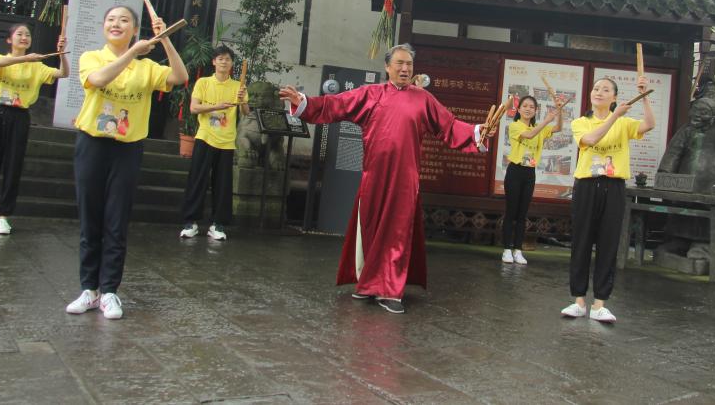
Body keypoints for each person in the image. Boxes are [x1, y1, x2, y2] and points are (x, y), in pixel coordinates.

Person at [277, 43, 490, 314]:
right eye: (399, 63)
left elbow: (449, 126)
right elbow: (335, 104)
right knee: (371, 227)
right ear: (387, 67)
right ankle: (369, 284)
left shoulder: (423, 99)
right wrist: (303, 102)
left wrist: (477, 132)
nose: (405, 68)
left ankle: (390, 290)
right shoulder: (371, 94)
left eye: (409, 64)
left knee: (396, 232)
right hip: (374, 174)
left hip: (405, 178)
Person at [65, 6, 188, 320]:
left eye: (124, 20)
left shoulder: (147, 68)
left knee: (116, 221)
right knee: (90, 218)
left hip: (128, 149)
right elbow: (97, 79)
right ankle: (88, 289)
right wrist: (133, 52)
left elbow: (180, 76)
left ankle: (109, 291)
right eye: (111, 19)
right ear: (104, 27)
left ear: (135, 29)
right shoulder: (92, 57)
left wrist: (164, 39)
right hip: (92, 144)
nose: (116, 24)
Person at [562, 75, 654, 324]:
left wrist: (644, 96)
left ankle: (600, 303)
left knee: (608, 243)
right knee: (581, 241)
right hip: (586, 185)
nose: (599, 92)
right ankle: (578, 301)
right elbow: (590, 140)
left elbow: (649, 124)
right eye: (596, 88)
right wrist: (614, 116)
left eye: (605, 90)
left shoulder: (624, 124)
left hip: (613, 187)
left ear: (614, 97)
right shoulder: (581, 122)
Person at [0, 23, 68, 235]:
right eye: (19, 34)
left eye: (27, 34)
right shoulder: (1, 59)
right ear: (9, 40)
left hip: (19, 117)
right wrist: (25, 58)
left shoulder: (36, 66)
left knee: (13, 165)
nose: (24, 37)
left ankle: (4, 217)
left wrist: (62, 53)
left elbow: (63, 73)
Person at [179, 45, 249, 241]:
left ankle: (218, 224)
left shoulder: (238, 86)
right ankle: (191, 222)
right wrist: (217, 106)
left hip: (226, 141)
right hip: (205, 137)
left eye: (227, 59)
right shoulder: (203, 82)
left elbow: (246, 113)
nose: (224, 62)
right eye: (220, 59)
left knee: (223, 185)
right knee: (197, 180)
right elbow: (193, 108)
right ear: (214, 62)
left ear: (232, 63)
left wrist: (243, 100)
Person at [501, 94, 564, 265]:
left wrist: (559, 110)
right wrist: (546, 121)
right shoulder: (515, 126)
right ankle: (507, 249)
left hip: (530, 173)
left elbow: (558, 127)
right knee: (511, 212)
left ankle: (518, 250)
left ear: (536, 110)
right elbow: (529, 135)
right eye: (525, 106)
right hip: (515, 172)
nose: (528, 109)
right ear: (519, 109)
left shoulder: (539, 127)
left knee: (522, 214)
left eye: (531, 107)